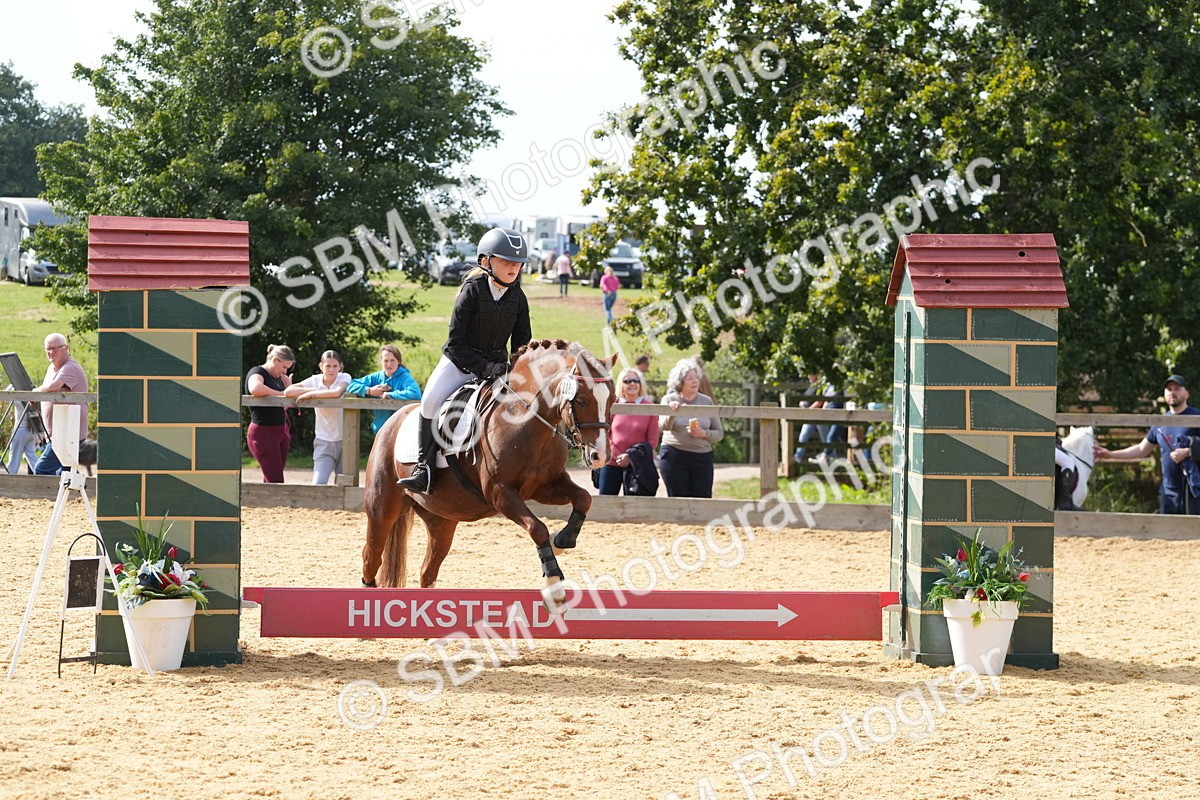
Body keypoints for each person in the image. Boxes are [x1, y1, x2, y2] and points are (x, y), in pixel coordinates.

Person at [399, 227, 533, 493]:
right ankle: (424, 468)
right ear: (486, 262)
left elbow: (522, 345)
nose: (514, 268)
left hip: (497, 369)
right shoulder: (471, 290)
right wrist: (484, 367)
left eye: (518, 263)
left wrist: (514, 370)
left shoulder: (518, 297)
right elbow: (455, 342)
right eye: (506, 261)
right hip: (459, 364)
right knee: (429, 402)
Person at [1094, 374, 1200, 514]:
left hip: (1194, 489)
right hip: (1168, 490)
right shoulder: (1159, 423)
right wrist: (1109, 454)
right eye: (1169, 389)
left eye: (1177, 388)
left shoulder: (1196, 417)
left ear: (1187, 393)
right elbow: (1141, 449)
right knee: (1166, 534)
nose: (1172, 392)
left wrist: (1188, 452)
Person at [658, 357, 723, 498]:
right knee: (678, 501)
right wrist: (672, 414)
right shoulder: (669, 399)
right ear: (680, 382)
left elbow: (719, 433)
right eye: (689, 378)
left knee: (702, 500)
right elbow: (663, 427)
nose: (695, 381)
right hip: (673, 455)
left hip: (702, 457)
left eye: (696, 377)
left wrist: (703, 433)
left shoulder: (706, 401)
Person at [285, 350, 352, 485]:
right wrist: (311, 390)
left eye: (335, 366)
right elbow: (288, 391)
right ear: (321, 366)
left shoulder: (344, 377)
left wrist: (314, 394)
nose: (331, 369)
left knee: (343, 485)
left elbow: (336, 393)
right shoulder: (315, 380)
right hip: (323, 440)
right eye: (327, 366)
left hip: (345, 440)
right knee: (318, 483)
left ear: (341, 367)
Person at [33, 333, 88, 476]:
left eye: (55, 349)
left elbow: (53, 387)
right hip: (59, 432)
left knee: (42, 468)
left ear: (66, 348)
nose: (51, 352)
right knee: (65, 474)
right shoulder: (52, 368)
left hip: (68, 432)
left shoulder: (70, 367)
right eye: (48, 349)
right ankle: (67, 497)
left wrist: (35, 392)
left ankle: (48, 498)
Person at [598, 368, 659, 495]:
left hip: (637, 464)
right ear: (621, 384)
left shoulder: (650, 407)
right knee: (606, 504)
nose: (632, 383)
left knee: (636, 508)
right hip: (611, 462)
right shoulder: (612, 405)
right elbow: (604, 434)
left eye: (636, 380)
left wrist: (630, 456)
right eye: (628, 381)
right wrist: (616, 455)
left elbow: (652, 441)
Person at [245, 344, 296, 483]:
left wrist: (289, 388)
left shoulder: (279, 379)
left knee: (272, 477)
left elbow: (285, 406)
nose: (285, 372)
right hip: (264, 433)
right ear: (275, 360)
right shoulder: (258, 372)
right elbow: (255, 388)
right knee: (276, 479)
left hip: (281, 431)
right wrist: (282, 394)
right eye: (284, 367)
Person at [346, 345, 422, 435]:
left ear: (398, 361)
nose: (389, 364)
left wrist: (390, 395)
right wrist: (369, 390)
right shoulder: (376, 377)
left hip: (400, 430)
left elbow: (415, 393)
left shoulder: (405, 377)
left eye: (392, 360)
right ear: (381, 361)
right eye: (386, 360)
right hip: (380, 429)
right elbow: (351, 385)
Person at [4, 395, 43, 474]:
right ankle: (40, 472)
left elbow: (6, 396)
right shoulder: (34, 399)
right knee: (31, 455)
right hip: (32, 430)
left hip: (20, 429)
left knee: (14, 456)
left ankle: (11, 475)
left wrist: (12, 385)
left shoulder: (19, 400)